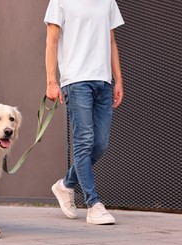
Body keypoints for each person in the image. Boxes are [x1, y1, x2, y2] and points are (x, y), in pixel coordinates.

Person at [44, 0, 124, 224]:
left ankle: (66, 184)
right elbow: (52, 40)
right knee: (84, 141)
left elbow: (111, 41)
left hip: (103, 81)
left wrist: (118, 79)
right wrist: (51, 80)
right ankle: (93, 203)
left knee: (100, 144)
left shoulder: (108, 1)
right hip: (76, 81)